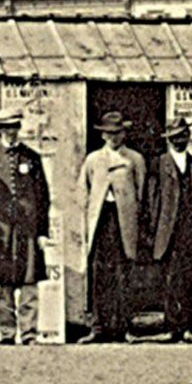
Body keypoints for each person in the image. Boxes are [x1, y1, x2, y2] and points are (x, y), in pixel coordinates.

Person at [0, 107, 51, 345]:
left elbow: (43, 197)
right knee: (5, 286)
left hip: (28, 232)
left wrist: (42, 232)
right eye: (5, 128)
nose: (10, 133)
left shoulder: (32, 158)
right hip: (2, 233)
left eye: (14, 128)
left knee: (29, 286)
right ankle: (7, 333)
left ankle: (29, 333)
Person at [78, 111, 146, 343]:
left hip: (123, 222)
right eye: (109, 133)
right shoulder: (93, 159)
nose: (113, 137)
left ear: (124, 134)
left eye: (118, 133)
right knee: (99, 275)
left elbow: (141, 192)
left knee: (123, 273)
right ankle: (98, 327)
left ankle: (124, 328)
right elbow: (83, 192)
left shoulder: (134, 159)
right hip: (100, 221)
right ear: (103, 135)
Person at [149, 116, 192, 343]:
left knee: (191, 279)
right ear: (168, 140)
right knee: (171, 280)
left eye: (183, 136)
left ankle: (188, 327)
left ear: (189, 137)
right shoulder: (158, 164)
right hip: (167, 233)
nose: (179, 140)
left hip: (191, 232)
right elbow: (152, 201)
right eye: (174, 137)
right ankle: (172, 327)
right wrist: (154, 232)